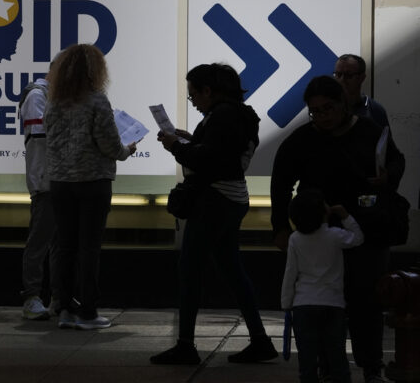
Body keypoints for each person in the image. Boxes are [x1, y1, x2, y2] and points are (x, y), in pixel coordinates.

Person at [271, 75, 405, 382]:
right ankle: (328, 366)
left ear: (344, 105)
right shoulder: (302, 140)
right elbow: (280, 183)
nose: (322, 117)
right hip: (320, 233)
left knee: (366, 301)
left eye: (328, 108)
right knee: (324, 305)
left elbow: (396, 161)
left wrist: (387, 176)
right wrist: (280, 227)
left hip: (367, 229)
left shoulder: (369, 130)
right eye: (315, 111)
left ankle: (370, 365)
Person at [151, 63, 277, 365]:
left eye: (193, 94)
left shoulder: (222, 116)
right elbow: (223, 152)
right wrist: (187, 139)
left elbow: (210, 160)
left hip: (215, 200)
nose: (193, 101)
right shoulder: (239, 114)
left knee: (190, 269)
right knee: (232, 270)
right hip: (233, 198)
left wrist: (176, 146)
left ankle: (185, 344)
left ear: (208, 90)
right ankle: (260, 340)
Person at [44, 43, 136, 330]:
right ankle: (88, 312)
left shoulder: (54, 102)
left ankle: (64, 308)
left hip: (60, 183)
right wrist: (127, 150)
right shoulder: (97, 101)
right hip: (93, 182)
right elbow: (109, 145)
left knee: (65, 247)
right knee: (89, 248)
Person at [281, 190, 364, 383]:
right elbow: (358, 238)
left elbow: (290, 273)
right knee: (337, 355)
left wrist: (286, 303)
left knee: (307, 359)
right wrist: (346, 216)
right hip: (333, 304)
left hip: (303, 304)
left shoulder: (295, 239)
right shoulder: (335, 235)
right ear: (323, 213)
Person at [19, 63, 59, 320]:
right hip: (45, 179)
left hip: (59, 178)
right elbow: (41, 135)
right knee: (40, 241)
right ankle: (31, 296)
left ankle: (59, 296)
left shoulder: (52, 97)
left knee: (59, 243)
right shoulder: (37, 96)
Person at [334, 54, 390, 129]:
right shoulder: (326, 108)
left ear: (362, 78)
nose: (342, 80)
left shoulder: (375, 111)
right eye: (338, 74)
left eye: (349, 75)